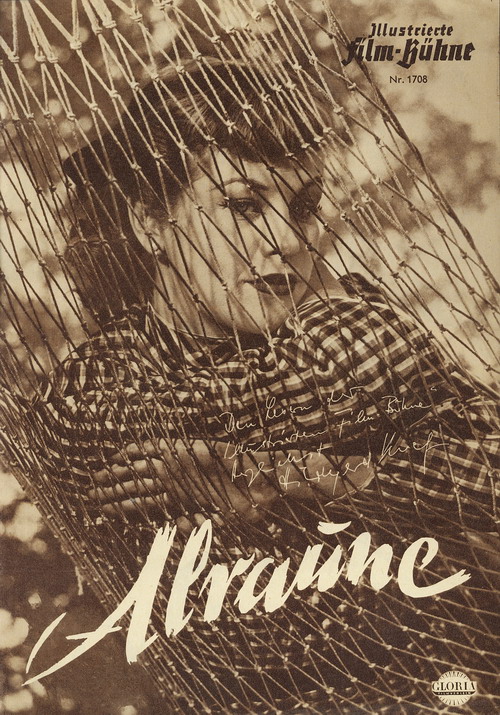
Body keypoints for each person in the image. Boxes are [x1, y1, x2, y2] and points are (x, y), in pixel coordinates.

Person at [12, 57, 500, 711]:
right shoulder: (93, 392)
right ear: (150, 221)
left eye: (304, 207)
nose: (288, 239)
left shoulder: (348, 333)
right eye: (244, 205)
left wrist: (294, 475)